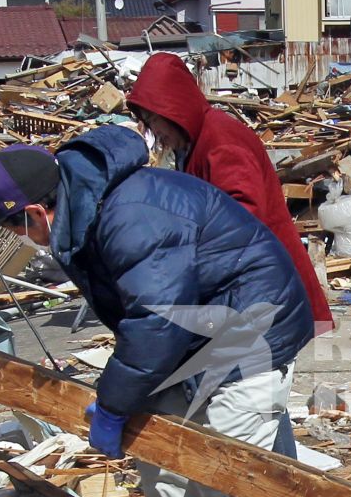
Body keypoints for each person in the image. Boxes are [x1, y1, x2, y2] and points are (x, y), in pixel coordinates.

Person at [0, 132, 315, 497]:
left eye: (15, 227)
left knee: (218, 482)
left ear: (35, 212)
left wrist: (114, 404)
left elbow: (156, 320)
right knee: (166, 472)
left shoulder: (130, 215)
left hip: (249, 336)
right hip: (193, 337)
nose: (20, 240)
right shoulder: (84, 212)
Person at [126, 51, 333, 335]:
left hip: (266, 282)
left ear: (173, 108)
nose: (154, 131)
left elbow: (243, 215)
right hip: (250, 282)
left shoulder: (221, 140)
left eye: (154, 119)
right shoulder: (193, 142)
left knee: (262, 372)